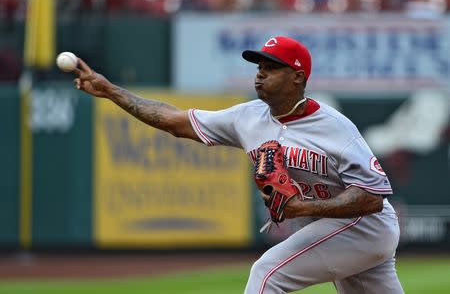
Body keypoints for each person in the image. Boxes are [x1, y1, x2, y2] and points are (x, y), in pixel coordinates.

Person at [73, 36, 404, 294]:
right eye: (259, 66)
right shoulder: (247, 117)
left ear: (297, 78)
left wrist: (304, 207)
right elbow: (174, 121)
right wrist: (112, 91)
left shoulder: (336, 128)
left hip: (365, 226)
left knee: (267, 273)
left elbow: (372, 199)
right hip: (336, 229)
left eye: (271, 67)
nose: (260, 74)